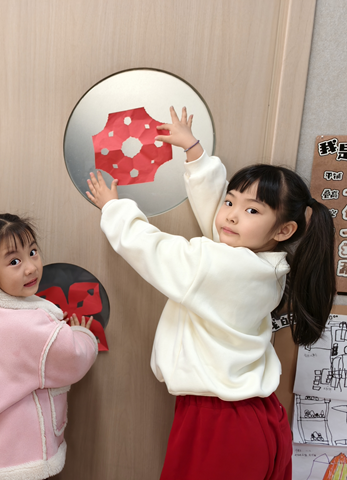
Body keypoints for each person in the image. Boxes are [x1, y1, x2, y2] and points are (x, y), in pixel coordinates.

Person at [85, 107, 335, 480]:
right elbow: (221, 227)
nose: (231, 215)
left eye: (252, 210)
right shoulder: (263, 266)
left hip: (223, 424)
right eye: (231, 202)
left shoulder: (225, 268)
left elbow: (156, 252)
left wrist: (114, 209)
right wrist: (195, 153)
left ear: (283, 230)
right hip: (249, 414)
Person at [0, 214, 98, 480]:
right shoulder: (26, 325)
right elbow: (74, 358)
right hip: (17, 459)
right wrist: (82, 334)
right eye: (14, 262)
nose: (30, 268)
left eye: (32, 252)